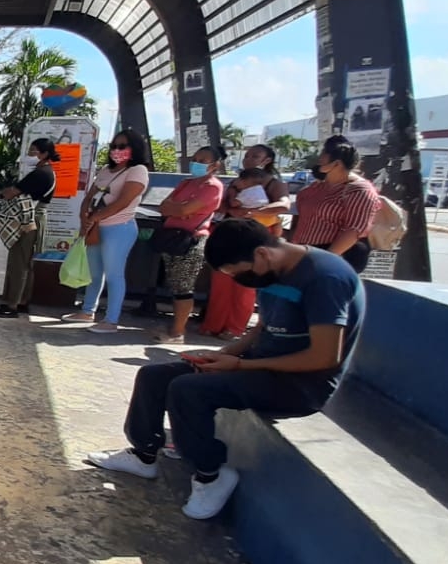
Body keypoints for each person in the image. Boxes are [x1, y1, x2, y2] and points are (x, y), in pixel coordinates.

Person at [85, 219, 366, 519]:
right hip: (258, 365)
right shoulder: (274, 270)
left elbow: (325, 357)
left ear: (262, 254)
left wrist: (242, 365)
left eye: (240, 273)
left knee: (188, 391)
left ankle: (211, 474)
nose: (241, 280)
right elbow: (263, 327)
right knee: (154, 376)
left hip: (301, 384)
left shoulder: (326, 278)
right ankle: (143, 455)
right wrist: (222, 355)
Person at [63, 129, 150, 332]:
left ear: (134, 149)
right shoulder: (105, 171)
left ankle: (111, 320)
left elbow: (123, 201)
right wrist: (85, 217)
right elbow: (89, 196)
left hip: (119, 228)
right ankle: (87, 310)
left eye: (122, 146)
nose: (116, 150)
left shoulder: (137, 170)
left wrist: (95, 217)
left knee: (114, 274)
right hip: (95, 228)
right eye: (114, 146)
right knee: (94, 273)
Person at [202, 145, 291, 339]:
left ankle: (234, 328)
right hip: (232, 233)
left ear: (267, 160)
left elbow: (284, 204)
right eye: (248, 155)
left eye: (255, 156)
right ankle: (213, 323)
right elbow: (222, 204)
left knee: (246, 283)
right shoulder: (237, 181)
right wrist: (234, 210)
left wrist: (256, 211)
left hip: (256, 236)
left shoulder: (274, 183)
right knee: (221, 279)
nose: (249, 159)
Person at [153, 146, 226, 344]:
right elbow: (164, 207)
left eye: (203, 160)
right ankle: (174, 327)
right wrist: (179, 210)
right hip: (172, 237)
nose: (197, 163)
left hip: (191, 239)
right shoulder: (186, 183)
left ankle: (177, 332)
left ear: (215, 165)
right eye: (195, 158)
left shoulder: (213, 186)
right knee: (175, 285)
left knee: (183, 287)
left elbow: (184, 208)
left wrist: (179, 209)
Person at [291, 135, 381, 273]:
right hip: (306, 252)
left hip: (336, 257)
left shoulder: (359, 190)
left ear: (337, 163)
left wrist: (325, 260)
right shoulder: (315, 188)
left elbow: (353, 230)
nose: (319, 159)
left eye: (324, 154)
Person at [0, 138, 58, 318]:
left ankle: (11, 305)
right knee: (26, 263)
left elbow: (12, 192)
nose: (30, 154)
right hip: (35, 219)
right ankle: (22, 301)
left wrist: (1, 191)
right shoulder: (47, 172)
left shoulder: (40, 174)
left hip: (28, 220)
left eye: (34, 151)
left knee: (18, 264)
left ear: (44, 154)